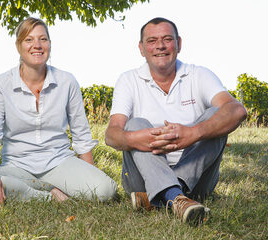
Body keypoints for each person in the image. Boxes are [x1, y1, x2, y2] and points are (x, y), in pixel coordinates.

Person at [105, 17, 247, 224]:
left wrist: (194, 133)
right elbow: (111, 135)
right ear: (141, 48)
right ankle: (175, 197)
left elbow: (237, 110)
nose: (160, 46)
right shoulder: (128, 80)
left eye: (167, 39)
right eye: (152, 41)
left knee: (217, 117)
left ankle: (160, 197)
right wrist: (135, 138)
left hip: (198, 181)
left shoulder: (199, 75)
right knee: (135, 124)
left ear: (179, 44)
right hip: (141, 179)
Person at [0, 17, 116, 204]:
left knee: (105, 190)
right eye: (29, 40)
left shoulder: (67, 81)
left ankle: (38, 188)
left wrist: (90, 179)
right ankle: (47, 196)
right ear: (18, 46)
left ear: (49, 44)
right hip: (16, 167)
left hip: (59, 163)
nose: (37, 45)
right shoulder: (0, 84)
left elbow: (81, 135)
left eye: (43, 39)